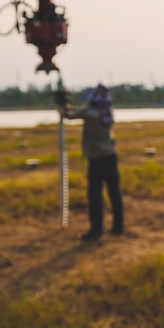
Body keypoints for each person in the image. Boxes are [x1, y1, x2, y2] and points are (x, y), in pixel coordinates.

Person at [59, 84, 124, 240]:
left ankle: (96, 230)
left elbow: (68, 115)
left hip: (96, 160)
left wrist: (61, 103)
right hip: (111, 156)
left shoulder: (89, 113)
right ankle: (118, 226)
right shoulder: (106, 111)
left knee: (95, 195)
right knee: (114, 192)